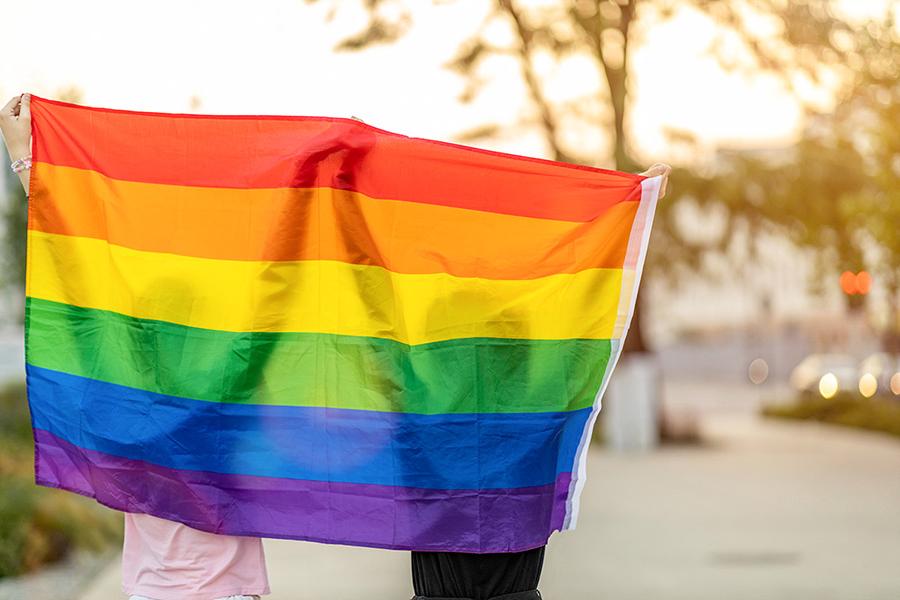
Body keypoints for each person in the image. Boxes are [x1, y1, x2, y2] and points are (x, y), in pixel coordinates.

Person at [2, 92, 670, 600]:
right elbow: (302, 320)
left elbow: (269, 315)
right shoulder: (522, 436)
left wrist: (32, 156)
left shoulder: (141, 427)